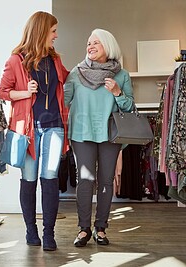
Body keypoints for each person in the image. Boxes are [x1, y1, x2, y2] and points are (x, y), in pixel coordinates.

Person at [0, 11, 69, 251]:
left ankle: (49, 233)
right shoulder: (16, 60)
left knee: (50, 179)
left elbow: (70, 81)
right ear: (41, 31)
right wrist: (25, 92)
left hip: (54, 127)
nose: (56, 36)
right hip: (28, 130)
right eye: (53, 31)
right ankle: (31, 230)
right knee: (29, 180)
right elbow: (3, 92)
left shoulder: (55, 60)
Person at [64, 29, 134, 247]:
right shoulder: (76, 72)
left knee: (105, 181)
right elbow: (63, 100)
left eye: (96, 43)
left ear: (108, 46)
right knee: (85, 181)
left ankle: (100, 228)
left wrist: (117, 92)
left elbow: (130, 106)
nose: (90, 46)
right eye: (88, 43)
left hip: (109, 135)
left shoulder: (121, 75)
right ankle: (84, 229)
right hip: (81, 134)